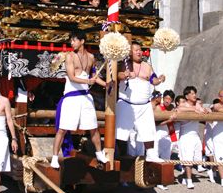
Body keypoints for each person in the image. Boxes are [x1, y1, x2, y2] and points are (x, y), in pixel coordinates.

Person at [51, 29, 108, 169]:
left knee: (93, 128)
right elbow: (72, 77)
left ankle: (99, 153)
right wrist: (88, 81)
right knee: (62, 129)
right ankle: (54, 158)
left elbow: (94, 76)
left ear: (82, 41)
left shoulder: (91, 57)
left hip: (86, 97)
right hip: (71, 98)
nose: (71, 43)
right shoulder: (69, 56)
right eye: (71, 40)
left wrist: (106, 84)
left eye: (74, 40)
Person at [116, 42, 165, 164]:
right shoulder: (124, 64)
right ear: (130, 52)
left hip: (144, 105)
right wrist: (124, 75)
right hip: (126, 103)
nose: (139, 52)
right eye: (136, 50)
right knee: (120, 132)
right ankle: (118, 153)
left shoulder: (147, 66)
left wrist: (160, 79)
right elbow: (118, 75)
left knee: (148, 131)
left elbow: (153, 80)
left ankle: (151, 154)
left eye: (140, 50)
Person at [174, 85, 209, 189]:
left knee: (195, 159)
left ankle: (185, 176)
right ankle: (189, 180)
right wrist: (193, 109)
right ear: (187, 96)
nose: (194, 95)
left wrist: (204, 110)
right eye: (192, 94)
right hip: (186, 137)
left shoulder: (197, 104)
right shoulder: (183, 104)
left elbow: (203, 110)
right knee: (188, 160)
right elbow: (179, 109)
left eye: (195, 93)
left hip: (195, 136)